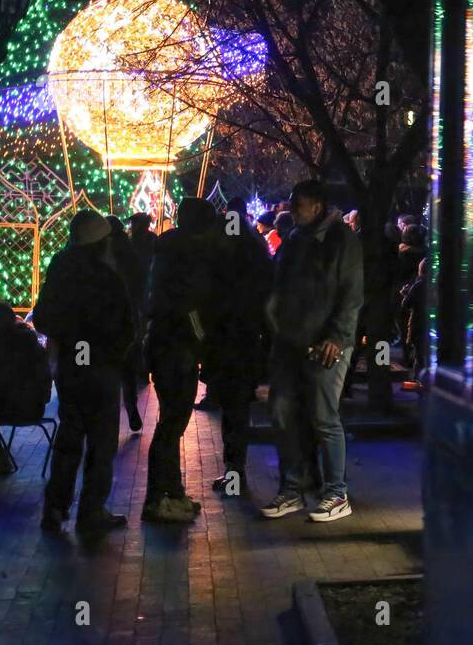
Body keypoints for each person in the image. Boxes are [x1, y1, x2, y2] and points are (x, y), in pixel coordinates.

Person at [262, 178, 363, 522]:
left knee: (323, 417)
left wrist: (336, 336)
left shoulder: (341, 240)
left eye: (297, 204)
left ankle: (336, 492)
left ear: (316, 206)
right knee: (282, 413)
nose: (291, 210)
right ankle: (293, 488)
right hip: (291, 342)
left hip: (326, 344)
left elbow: (351, 294)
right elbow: (280, 285)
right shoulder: (294, 239)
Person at [33, 210, 134, 535]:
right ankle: (91, 512)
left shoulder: (60, 270)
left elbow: (43, 318)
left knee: (69, 436)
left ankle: (55, 507)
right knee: (102, 442)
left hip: (71, 368)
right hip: (102, 368)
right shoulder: (108, 278)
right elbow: (126, 327)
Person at [142, 198, 220, 525]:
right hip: (176, 347)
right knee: (172, 421)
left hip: (169, 345)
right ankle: (158, 497)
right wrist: (203, 338)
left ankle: (171, 491)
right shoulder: (183, 255)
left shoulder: (169, 251)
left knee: (172, 422)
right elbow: (189, 306)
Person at [205, 198, 274, 494]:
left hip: (231, 344)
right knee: (236, 410)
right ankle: (234, 472)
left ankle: (235, 473)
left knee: (233, 411)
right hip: (245, 342)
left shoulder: (228, 263)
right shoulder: (255, 253)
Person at [105, 215, 147, 432]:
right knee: (127, 369)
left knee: (108, 370)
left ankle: (110, 417)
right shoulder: (130, 253)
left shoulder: (101, 254)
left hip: (106, 319)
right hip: (128, 316)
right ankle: (131, 411)